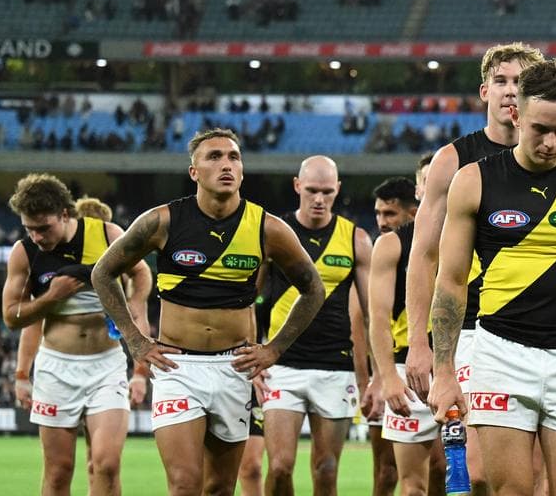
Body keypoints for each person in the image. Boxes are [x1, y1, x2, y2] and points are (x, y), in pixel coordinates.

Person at [427, 59, 556, 495]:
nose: (552, 142)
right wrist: (444, 371)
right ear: (516, 114)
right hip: (499, 353)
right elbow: (450, 282)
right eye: (541, 129)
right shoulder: (473, 181)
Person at [91, 128, 325, 496]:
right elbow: (102, 272)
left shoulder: (268, 228)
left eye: (234, 157)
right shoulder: (162, 221)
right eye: (214, 157)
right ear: (194, 172)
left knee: (219, 488)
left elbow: (314, 289)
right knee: (185, 485)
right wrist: (134, 340)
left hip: (234, 368)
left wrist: (275, 349)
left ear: (243, 171)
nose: (226, 164)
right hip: (178, 368)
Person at [402, 42, 544, 496]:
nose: (509, 91)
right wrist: (418, 343)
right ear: (484, 90)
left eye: (520, 82)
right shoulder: (452, 160)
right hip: (469, 332)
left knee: (535, 478)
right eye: (500, 81)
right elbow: (423, 256)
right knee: (479, 474)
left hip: (544, 333)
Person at [2, 175, 150, 496]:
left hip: (106, 366)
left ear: (66, 215)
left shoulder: (108, 234)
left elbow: (141, 272)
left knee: (106, 464)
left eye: (44, 228)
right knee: (58, 473)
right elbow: (12, 317)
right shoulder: (24, 252)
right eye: (30, 228)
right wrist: (51, 298)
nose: (36, 236)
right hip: (56, 369)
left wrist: (136, 302)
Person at [258, 156, 373, 496]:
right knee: (279, 468)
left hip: (335, 368)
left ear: (338, 189)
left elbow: (371, 315)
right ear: (297, 186)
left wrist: (379, 375)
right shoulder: (274, 233)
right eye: (311, 191)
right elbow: (248, 299)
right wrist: (250, 352)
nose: (319, 199)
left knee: (326, 470)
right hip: (281, 365)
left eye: (327, 191)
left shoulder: (356, 239)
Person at [369, 163, 450, 496]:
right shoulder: (391, 245)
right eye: (427, 181)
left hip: (461, 366)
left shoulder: (477, 236)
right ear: (418, 190)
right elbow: (377, 317)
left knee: (455, 474)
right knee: (412, 484)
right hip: (408, 370)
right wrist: (386, 376)